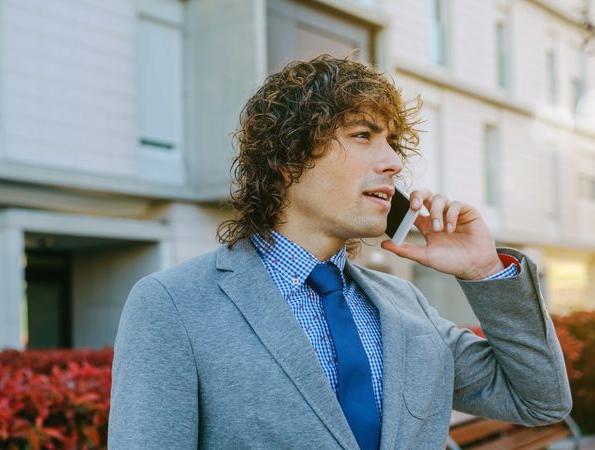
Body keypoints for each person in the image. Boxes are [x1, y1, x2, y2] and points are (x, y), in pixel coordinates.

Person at [107, 55, 571, 449]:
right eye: (363, 135)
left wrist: (485, 270)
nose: (393, 161)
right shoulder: (172, 304)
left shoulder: (405, 304)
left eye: (391, 141)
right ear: (287, 160)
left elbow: (540, 401)